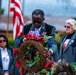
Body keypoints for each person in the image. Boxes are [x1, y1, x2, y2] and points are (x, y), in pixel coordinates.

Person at [14, 9, 59, 75]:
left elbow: (54, 45)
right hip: (30, 63)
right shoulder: (26, 28)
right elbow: (21, 44)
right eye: (34, 21)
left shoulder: (50, 29)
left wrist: (50, 51)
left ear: (43, 19)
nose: (36, 24)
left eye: (38, 22)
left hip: (45, 63)